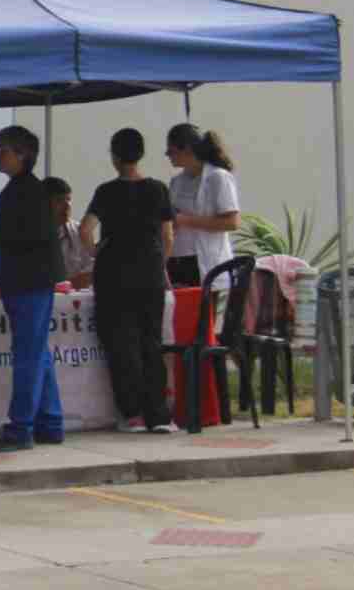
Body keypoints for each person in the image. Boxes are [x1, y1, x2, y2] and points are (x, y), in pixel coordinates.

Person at [0, 126, 66, 453]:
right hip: (24, 280)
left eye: (3, 150)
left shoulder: (27, 191)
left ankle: (20, 427)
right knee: (36, 351)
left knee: (27, 354)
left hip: (30, 282)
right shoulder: (18, 189)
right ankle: (51, 422)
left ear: (22, 155)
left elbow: (30, 237)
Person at [82, 129, 178, 434]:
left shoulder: (106, 192)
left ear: (114, 156)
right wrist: (158, 262)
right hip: (149, 272)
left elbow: (86, 229)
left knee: (121, 343)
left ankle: (133, 414)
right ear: (141, 154)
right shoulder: (158, 189)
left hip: (113, 273)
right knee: (151, 342)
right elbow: (168, 236)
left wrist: (97, 251)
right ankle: (159, 415)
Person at [164, 123, 240, 289]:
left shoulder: (217, 177)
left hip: (206, 260)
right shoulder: (176, 182)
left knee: (203, 313)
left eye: (171, 151)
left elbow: (232, 222)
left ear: (187, 150)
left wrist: (185, 220)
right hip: (178, 258)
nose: (168, 156)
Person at [45, 177, 94, 289]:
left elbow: (92, 270)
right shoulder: (30, 234)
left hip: (72, 300)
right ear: (43, 204)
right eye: (59, 200)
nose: (67, 206)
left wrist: (68, 285)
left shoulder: (79, 231)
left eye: (69, 200)